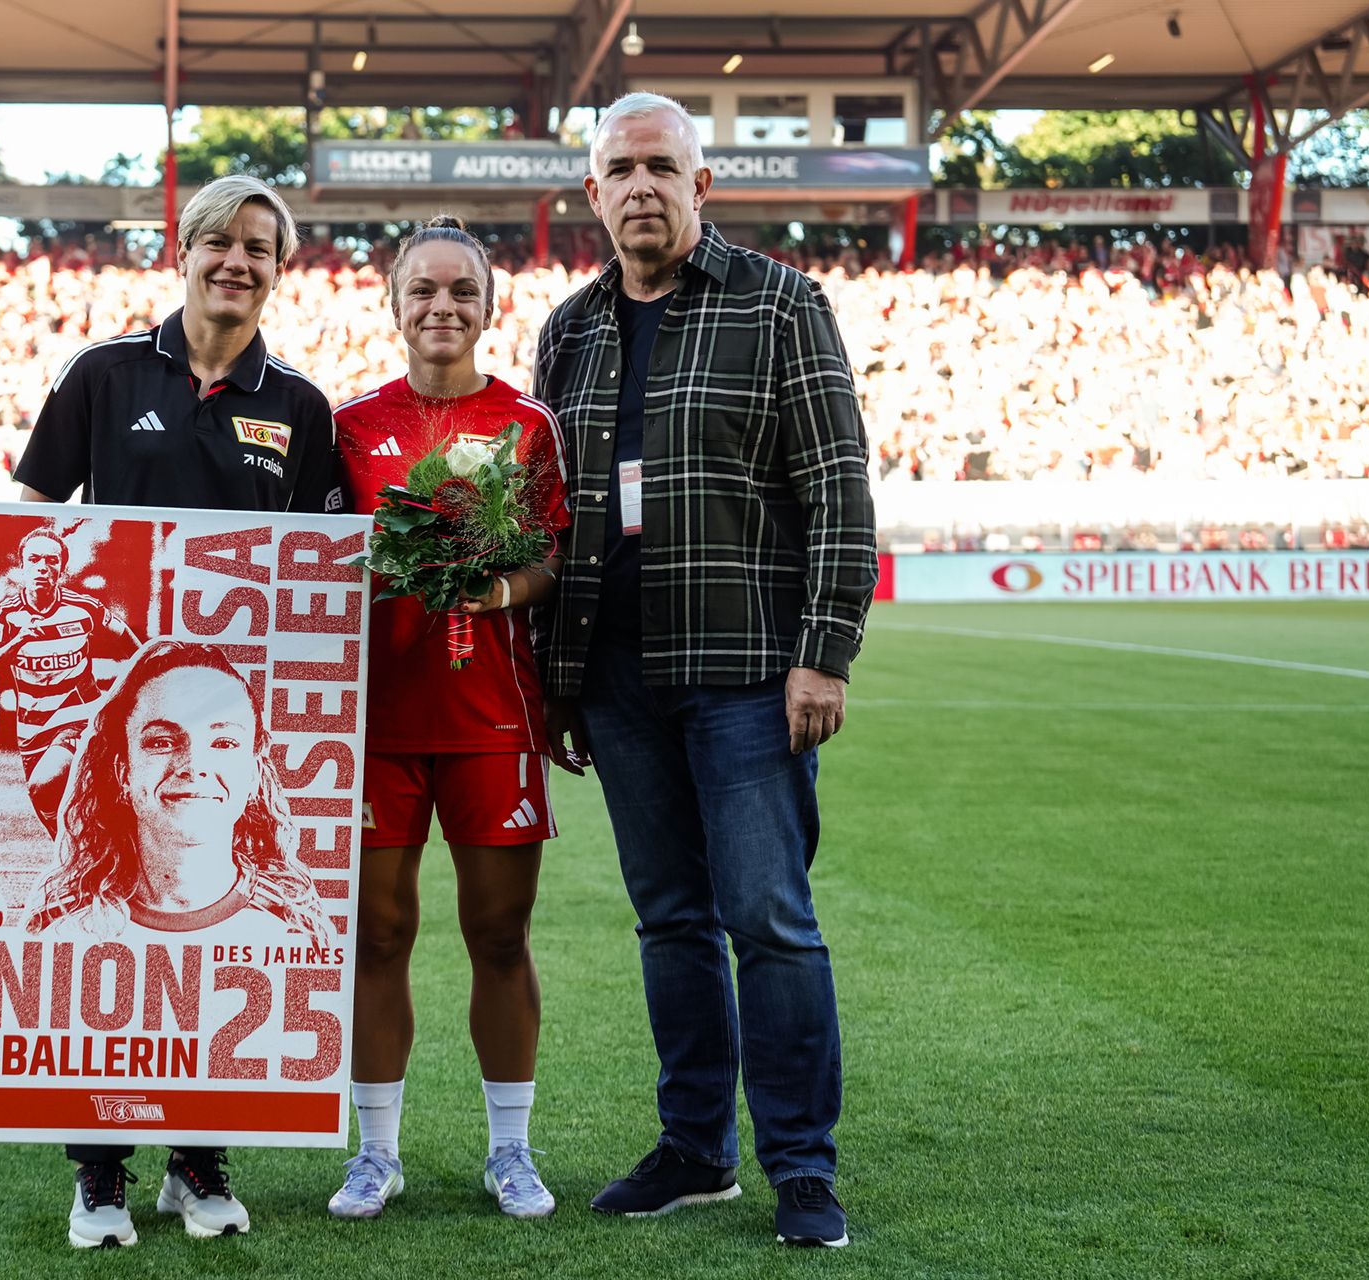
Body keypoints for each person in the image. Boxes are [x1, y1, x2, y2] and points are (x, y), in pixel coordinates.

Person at [531, 93, 877, 1248]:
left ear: (700, 184)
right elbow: (554, 514)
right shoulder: (568, 332)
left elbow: (839, 486)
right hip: (618, 678)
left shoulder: (782, 303)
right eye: (618, 169)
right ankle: (695, 1150)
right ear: (592, 192)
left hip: (743, 672)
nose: (640, 186)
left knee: (770, 919)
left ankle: (802, 1167)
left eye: (660, 167)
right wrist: (559, 678)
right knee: (669, 920)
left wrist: (823, 651)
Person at [12, 174, 344, 1249]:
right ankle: (98, 1170)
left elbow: (326, 569)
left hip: (230, 713)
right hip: (124, 716)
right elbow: (28, 526)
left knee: (217, 916)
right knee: (113, 905)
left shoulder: (297, 405)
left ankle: (199, 1160)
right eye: (222, 242)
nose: (238, 262)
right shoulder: (102, 375)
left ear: (276, 272)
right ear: (186, 249)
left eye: (261, 249)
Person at [327, 215, 569, 1221]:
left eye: (461, 291)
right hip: (374, 721)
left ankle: (508, 1150)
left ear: (488, 306)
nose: (442, 306)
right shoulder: (347, 427)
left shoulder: (527, 426)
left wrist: (497, 590)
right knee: (378, 934)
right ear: (394, 305)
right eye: (422, 290)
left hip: (490, 714)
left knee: (499, 932)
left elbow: (551, 553)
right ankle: (374, 1152)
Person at [24, 638, 329, 943]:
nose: (193, 766)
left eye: (224, 743)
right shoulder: (67, 935)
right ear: (124, 774)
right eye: (162, 742)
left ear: (253, 774)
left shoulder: (295, 936)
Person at [0, 526, 139, 837]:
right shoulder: (5, 615)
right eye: (35, 559)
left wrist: (145, 673)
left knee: (44, 781)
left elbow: (126, 639)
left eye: (51, 561)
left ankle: (89, 847)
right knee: (41, 796)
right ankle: (80, 854)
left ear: (61, 569)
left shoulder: (85, 607)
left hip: (79, 712)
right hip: (31, 723)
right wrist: (18, 642)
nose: (43, 567)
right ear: (21, 565)